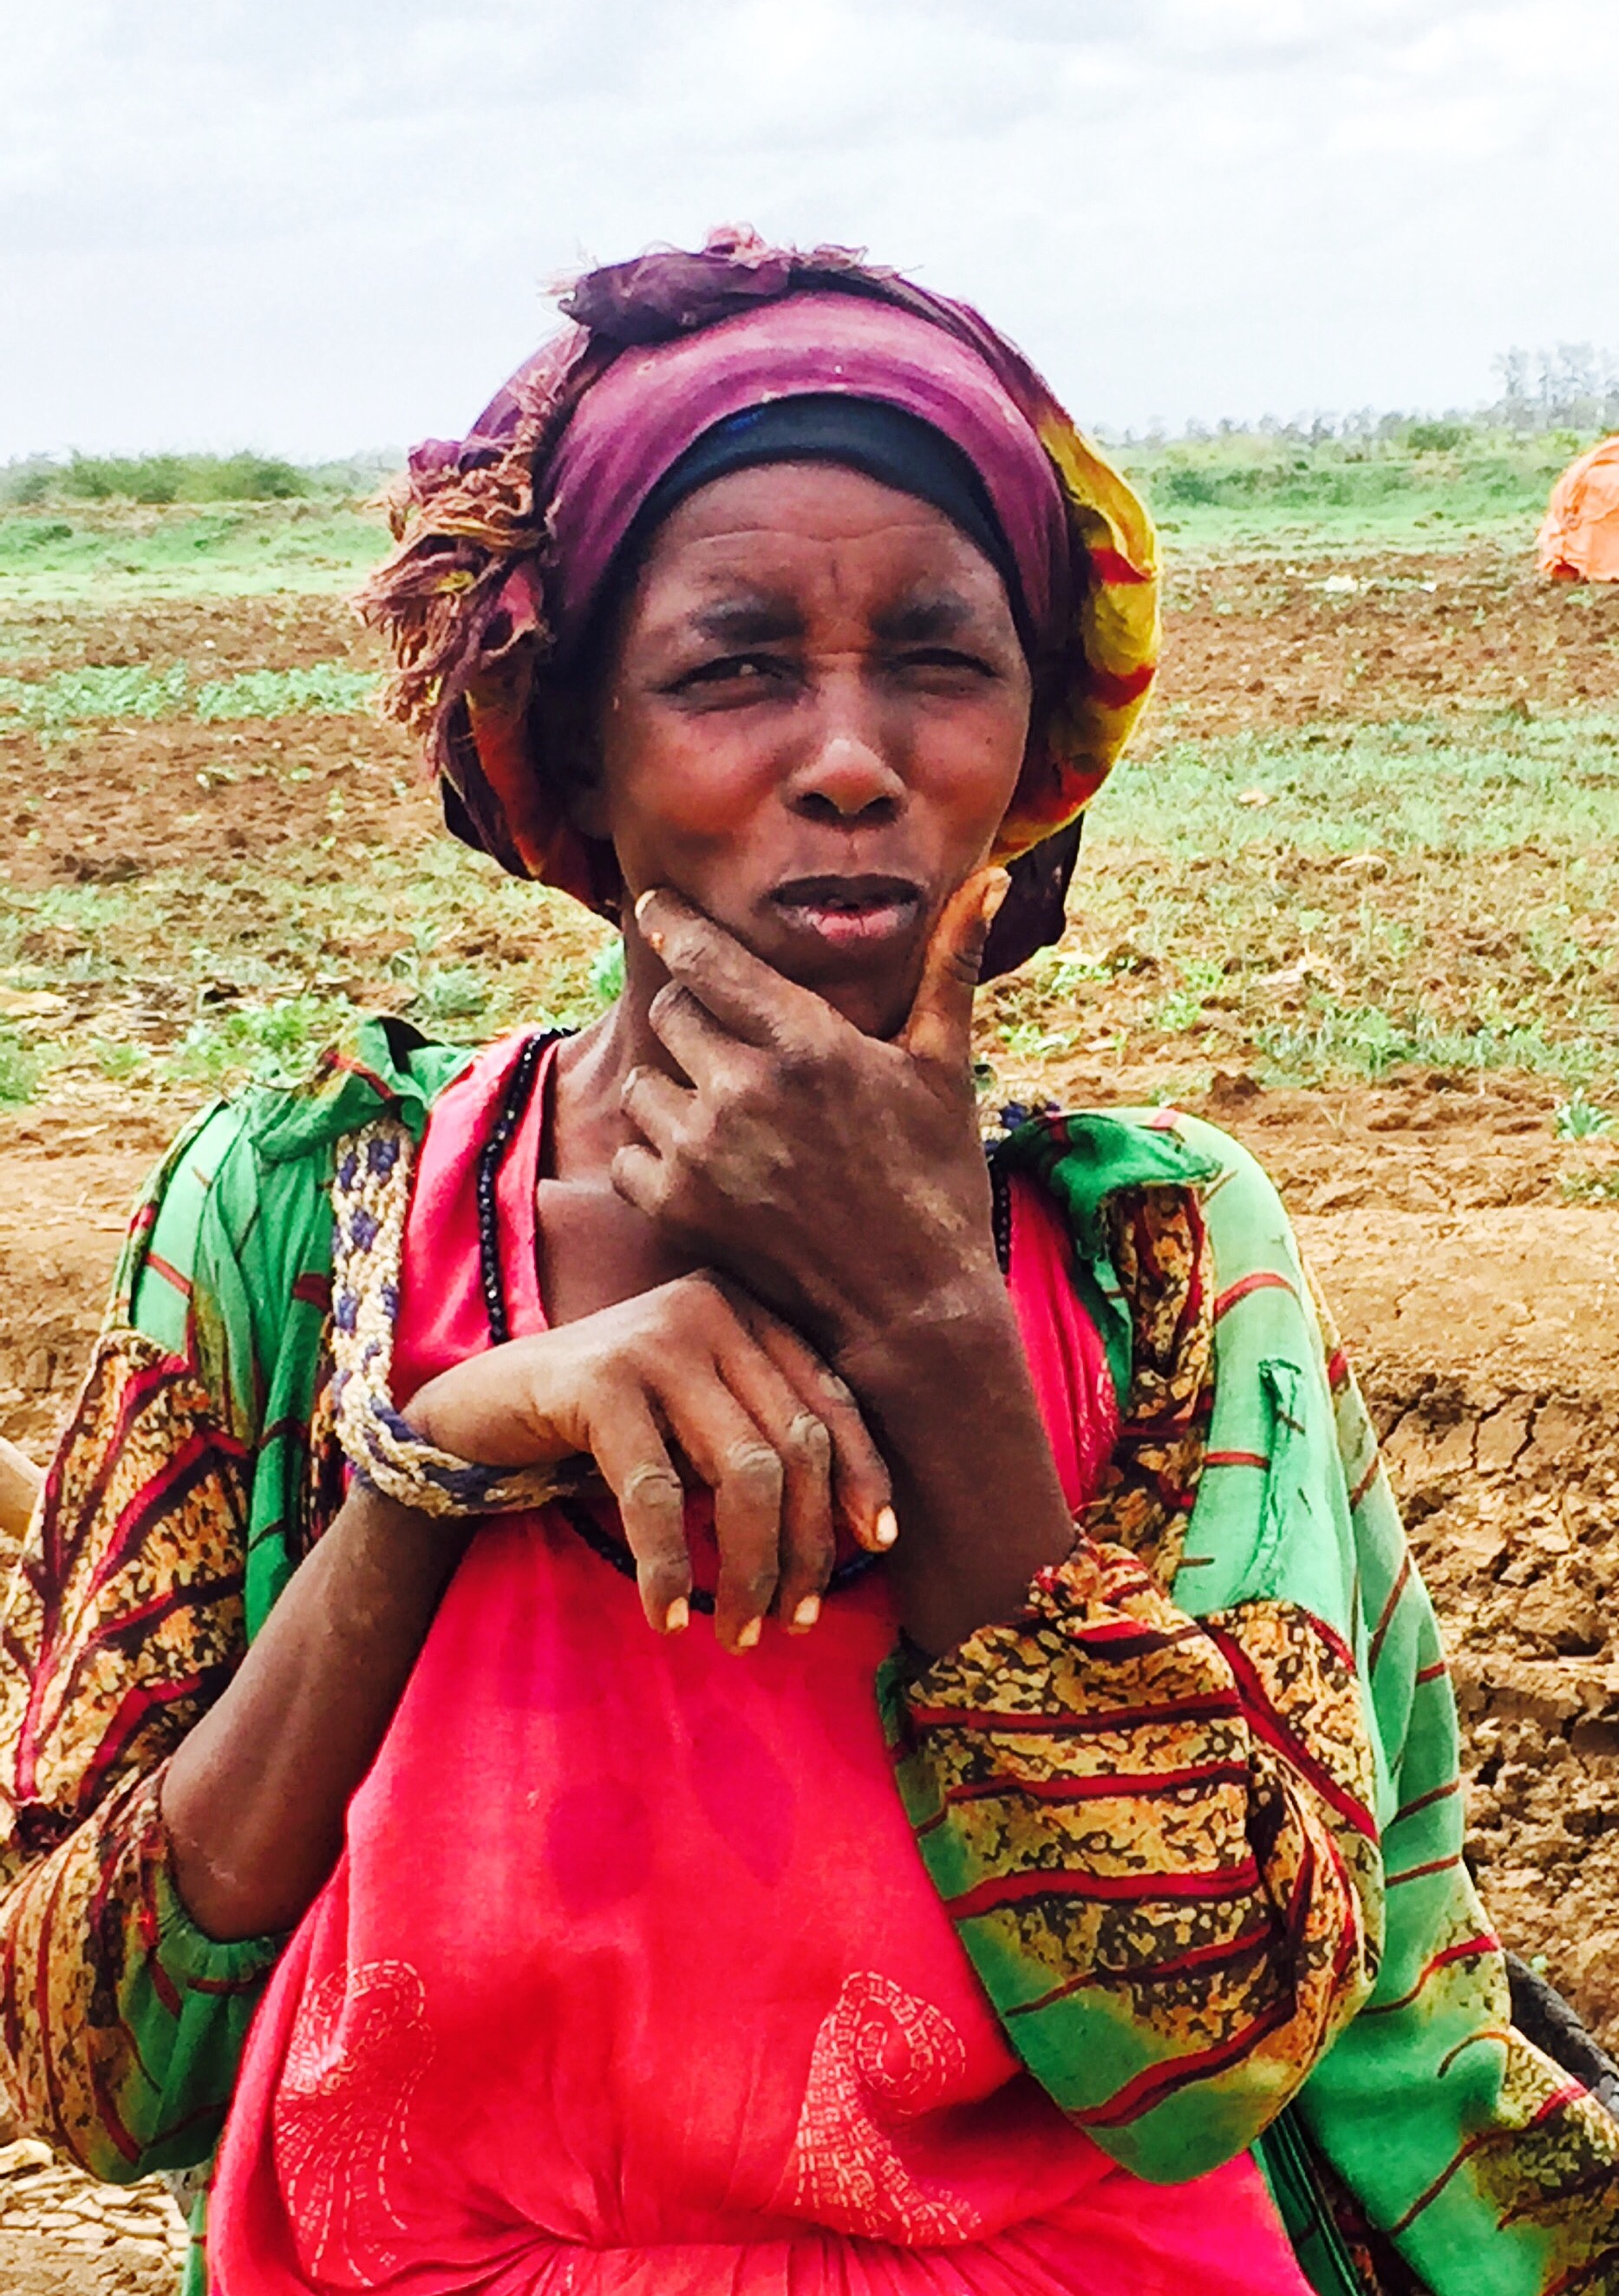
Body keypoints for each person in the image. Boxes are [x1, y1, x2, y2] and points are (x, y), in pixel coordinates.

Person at [0, 228, 1615, 2296]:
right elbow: (95, 2052)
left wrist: (932, 1326)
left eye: (941, 658)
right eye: (733, 662)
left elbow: (1206, 2049)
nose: (848, 754)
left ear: (1032, 746)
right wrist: (430, 1459)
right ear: (572, 742)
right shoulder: (298, 1224)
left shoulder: (1154, 1257)